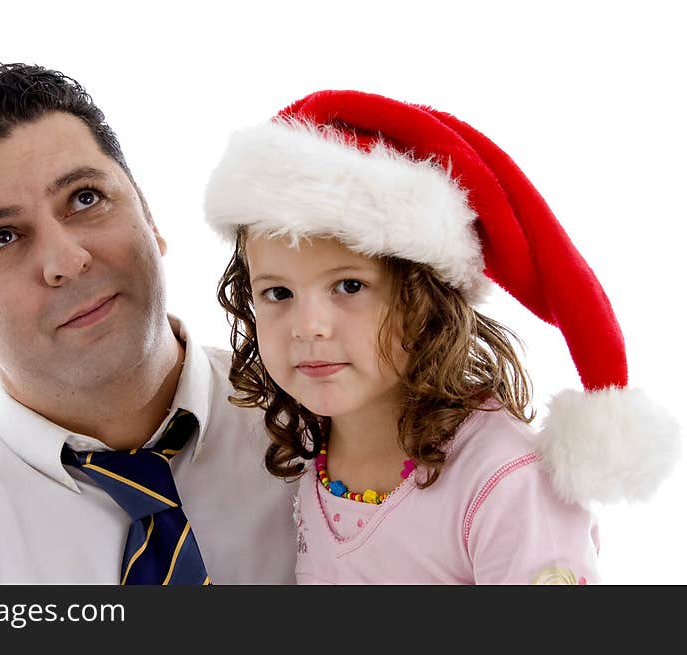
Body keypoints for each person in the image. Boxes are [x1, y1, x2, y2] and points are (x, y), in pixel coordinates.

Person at [0, 63, 297, 584]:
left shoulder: (336, 423)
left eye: (85, 199)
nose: (66, 259)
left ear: (149, 217)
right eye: (2, 237)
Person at [203, 90, 681, 584]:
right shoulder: (304, 441)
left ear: (423, 299)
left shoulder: (503, 483)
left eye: (350, 286)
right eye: (278, 292)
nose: (308, 325)